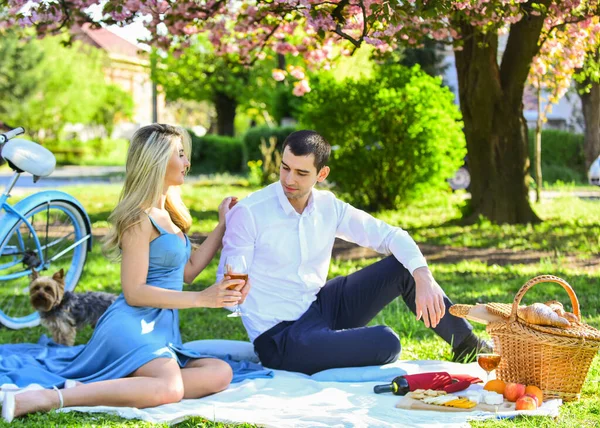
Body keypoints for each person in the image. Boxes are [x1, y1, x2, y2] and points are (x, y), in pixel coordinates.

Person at [1, 124, 250, 422]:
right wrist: (202, 299)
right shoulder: (138, 218)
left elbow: (188, 272)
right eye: (180, 155)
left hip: (161, 328)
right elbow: (134, 292)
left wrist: (222, 224)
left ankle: (113, 386)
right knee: (170, 388)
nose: (187, 162)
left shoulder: (167, 215)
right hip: (132, 324)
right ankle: (48, 398)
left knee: (220, 373)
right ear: (156, 160)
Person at [218, 130, 490, 375]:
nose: (289, 180)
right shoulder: (250, 212)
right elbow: (229, 288)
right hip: (281, 337)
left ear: (321, 175)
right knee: (388, 342)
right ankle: (332, 343)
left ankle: (468, 346)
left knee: (404, 268)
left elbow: (391, 235)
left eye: (301, 173)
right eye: (285, 168)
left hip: (320, 306)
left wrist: (424, 276)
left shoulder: (328, 205)